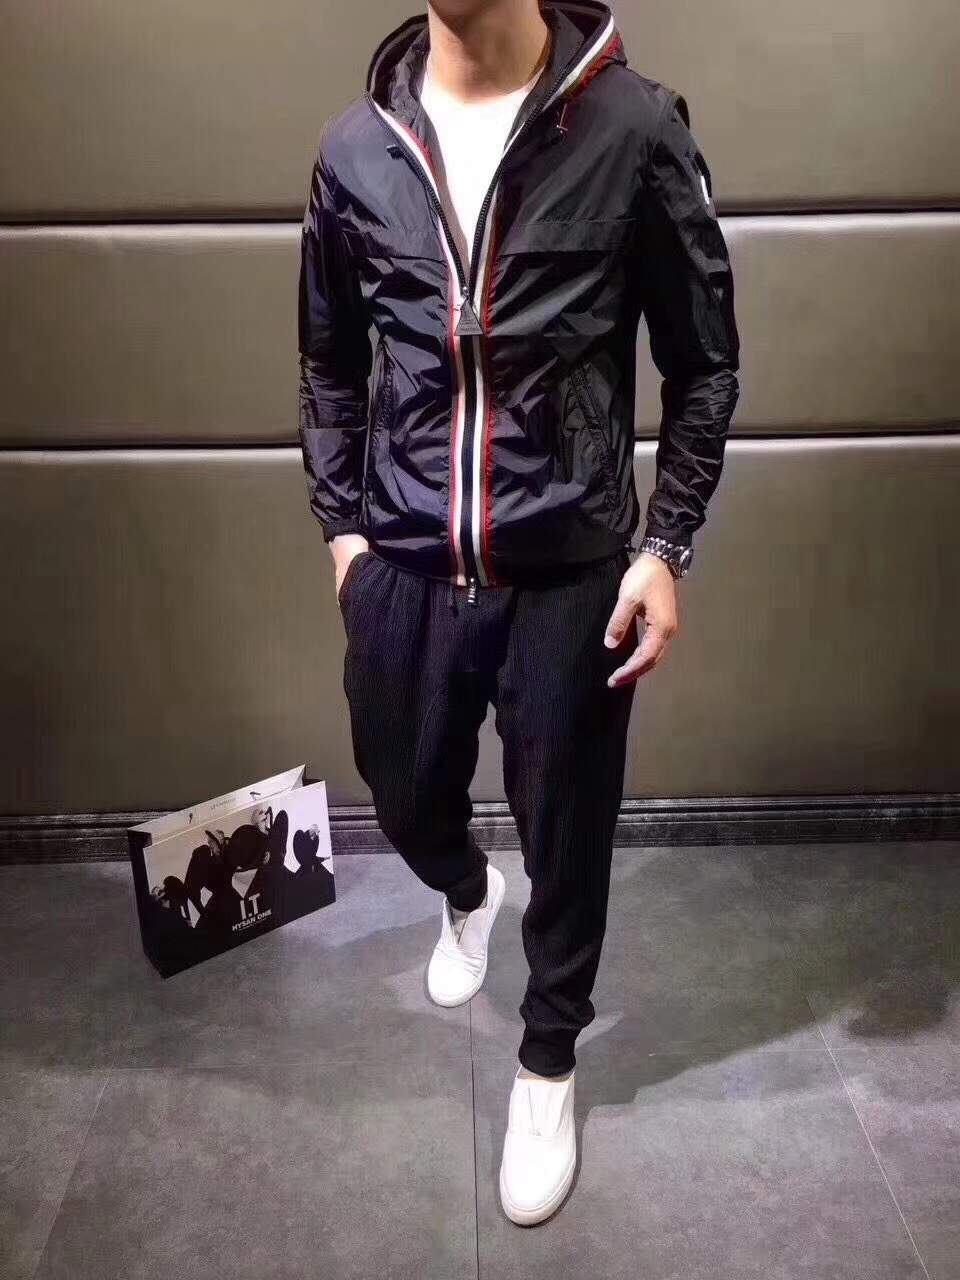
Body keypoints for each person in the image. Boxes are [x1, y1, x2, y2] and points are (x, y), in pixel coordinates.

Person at [297, 0, 740, 1225]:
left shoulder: (635, 129)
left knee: (567, 831)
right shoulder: (356, 150)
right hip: (404, 552)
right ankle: (464, 891)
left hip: (571, 561)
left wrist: (664, 544)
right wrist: (344, 535)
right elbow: (330, 361)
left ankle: (549, 1055)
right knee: (401, 790)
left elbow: (703, 361)